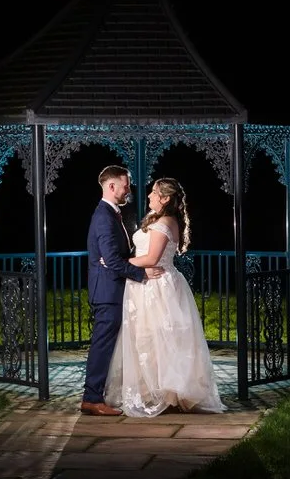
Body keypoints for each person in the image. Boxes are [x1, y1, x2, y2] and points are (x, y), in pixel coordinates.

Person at [104, 177, 227, 417]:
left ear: (166, 198)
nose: (148, 196)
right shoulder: (158, 219)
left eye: (153, 192)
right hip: (144, 284)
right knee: (146, 338)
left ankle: (167, 392)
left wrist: (114, 263)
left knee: (160, 338)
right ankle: (151, 389)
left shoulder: (166, 222)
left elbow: (151, 259)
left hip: (157, 286)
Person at [81, 165, 165, 416]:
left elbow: (116, 258)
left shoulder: (112, 214)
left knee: (107, 344)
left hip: (113, 288)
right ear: (111, 186)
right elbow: (113, 261)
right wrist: (142, 273)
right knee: (102, 345)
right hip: (107, 291)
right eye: (126, 184)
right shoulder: (104, 217)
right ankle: (92, 399)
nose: (129, 188)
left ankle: (97, 395)